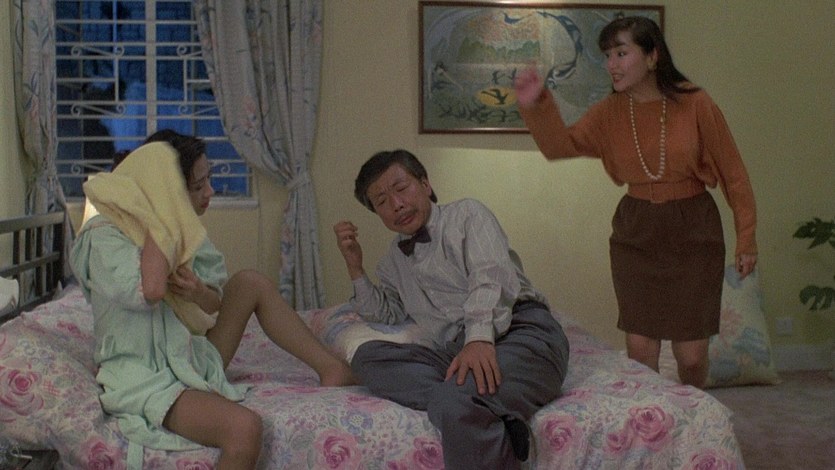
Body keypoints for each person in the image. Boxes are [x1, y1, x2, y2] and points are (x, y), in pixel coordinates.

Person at [71, 130, 355, 469]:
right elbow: (151, 290)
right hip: (144, 375)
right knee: (244, 429)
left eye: (209, 180)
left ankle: (333, 368)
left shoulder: (185, 231)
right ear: (165, 190)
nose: (210, 192)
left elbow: (214, 303)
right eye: (197, 186)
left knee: (249, 282)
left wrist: (197, 292)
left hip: (192, 357)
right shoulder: (105, 235)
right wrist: (160, 219)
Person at [513, 16, 758, 388]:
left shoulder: (695, 103)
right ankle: (653, 421)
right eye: (607, 56)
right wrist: (536, 105)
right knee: (641, 351)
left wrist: (747, 237)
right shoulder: (610, 111)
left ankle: (692, 414)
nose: (611, 64)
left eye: (621, 53)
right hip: (637, 231)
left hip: (693, 228)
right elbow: (560, 145)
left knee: (691, 356)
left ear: (652, 56)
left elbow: (733, 173)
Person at [333, 149, 569, 470]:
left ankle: (465, 401)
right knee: (367, 357)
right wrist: (355, 267)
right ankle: (492, 410)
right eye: (382, 201)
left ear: (425, 184)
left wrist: (478, 339)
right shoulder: (392, 261)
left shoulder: (468, 215)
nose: (396, 204)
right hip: (455, 354)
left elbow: (490, 277)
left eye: (401, 188)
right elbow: (386, 313)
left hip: (520, 331)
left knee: (456, 399)